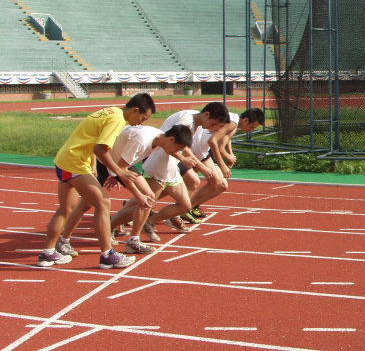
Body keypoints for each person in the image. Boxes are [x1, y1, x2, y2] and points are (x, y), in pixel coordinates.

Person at [37, 93, 156, 269]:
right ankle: (107, 255)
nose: (142, 123)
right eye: (143, 118)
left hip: (65, 159)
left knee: (66, 209)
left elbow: (90, 138)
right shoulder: (117, 119)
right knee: (103, 203)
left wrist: (93, 164)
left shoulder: (110, 111)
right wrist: (120, 172)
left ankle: (47, 254)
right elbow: (100, 149)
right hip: (74, 162)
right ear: (135, 110)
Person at [57, 124, 194, 256]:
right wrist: (136, 194)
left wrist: (182, 158)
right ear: (171, 139)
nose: (177, 153)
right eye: (178, 149)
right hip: (103, 161)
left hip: (118, 163)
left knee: (149, 196)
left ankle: (133, 241)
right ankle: (64, 240)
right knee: (87, 203)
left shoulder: (159, 138)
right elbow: (121, 170)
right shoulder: (142, 141)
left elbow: (123, 167)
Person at [142, 102, 229, 233]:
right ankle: (126, 218)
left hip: (171, 158)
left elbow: (185, 146)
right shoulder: (186, 121)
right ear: (206, 114)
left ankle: (162, 216)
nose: (213, 129)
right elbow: (174, 143)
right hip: (159, 159)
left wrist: (194, 162)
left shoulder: (196, 121)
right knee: (147, 198)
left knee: (191, 183)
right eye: (214, 124)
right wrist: (199, 165)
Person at [185, 107, 265, 220]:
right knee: (219, 184)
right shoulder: (233, 123)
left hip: (200, 147)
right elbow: (213, 141)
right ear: (246, 120)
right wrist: (223, 163)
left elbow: (226, 138)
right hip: (200, 149)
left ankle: (188, 206)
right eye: (252, 127)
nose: (251, 130)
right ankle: (185, 207)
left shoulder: (234, 120)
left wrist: (230, 153)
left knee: (196, 181)